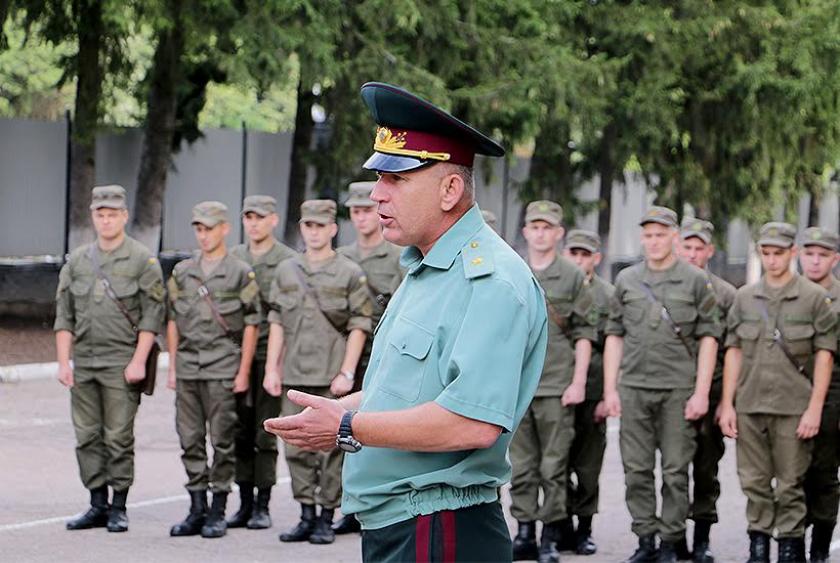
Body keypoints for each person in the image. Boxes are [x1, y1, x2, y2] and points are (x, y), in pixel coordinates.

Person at [263, 82, 548, 562]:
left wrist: (348, 426)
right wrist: (334, 413)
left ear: (450, 190)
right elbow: (407, 389)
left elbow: (473, 423)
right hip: (404, 523)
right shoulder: (429, 267)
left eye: (396, 179)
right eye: (379, 177)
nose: (377, 195)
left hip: (440, 527)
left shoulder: (490, 281)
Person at [603, 206, 720, 563]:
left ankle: (671, 540)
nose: (653, 242)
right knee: (636, 470)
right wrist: (610, 389)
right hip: (634, 388)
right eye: (648, 235)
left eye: (660, 234)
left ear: (674, 237)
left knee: (674, 470)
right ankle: (645, 539)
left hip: (678, 390)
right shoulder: (627, 280)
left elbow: (709, 338)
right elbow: (614, 335)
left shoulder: (695, 280)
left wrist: (701, 393)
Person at [718, 222, 836, 563]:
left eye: (779, 253)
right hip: (751, 403)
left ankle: (790, 546)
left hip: (793, 405)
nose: (772, 260)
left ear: (792, 253)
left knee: (790, 482)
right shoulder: (745, 297)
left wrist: (814, 409)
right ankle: (758, 545)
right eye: (766, 253)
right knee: (753, 480)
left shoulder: (813, 298)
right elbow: (734, 351)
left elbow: (825, 356)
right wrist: (727, 404)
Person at [55, 185, 165, 533]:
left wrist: (139, 360)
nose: (106, 220)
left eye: (112, 214)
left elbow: (152, 316)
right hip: (85, 361)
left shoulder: (142, 260)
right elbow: (64, 315)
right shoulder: (77, 261)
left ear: (124, 216)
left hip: (121, 361)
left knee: (118, 436)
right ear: (93, 216)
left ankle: (119, 506)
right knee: (87, 435)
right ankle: (96, 503)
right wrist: (63, 362)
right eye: (100, 214)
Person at [263, 199, 372, 545]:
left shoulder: (349, 271)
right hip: (295, 373)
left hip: (330, 375)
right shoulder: (287, 270)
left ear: (332, 229)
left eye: (320, 226)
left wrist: (347, 372)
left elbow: (359, 324)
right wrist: (271, 368)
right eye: (308, 225)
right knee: (295, 448)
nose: (314, 232)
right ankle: (306, 514)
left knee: (331, 449)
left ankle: (327, 514)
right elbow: (277, 320)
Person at [166, 201, 261, 539]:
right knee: (189, 438)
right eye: (199, 229)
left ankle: (218, 509)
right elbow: (173, 320)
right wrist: (172, 366)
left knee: (222, 440)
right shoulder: (183, 272)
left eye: (209, 228)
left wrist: (243, 371)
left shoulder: (240, 272)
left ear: (224, 229)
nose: (203, 235)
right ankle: (196, 508)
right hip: (188, 367)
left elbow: (252, 323)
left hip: (223, 366)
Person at [510, 201, 596, 563]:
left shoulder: (571, 275)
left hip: (557, 385)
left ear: (559, 233)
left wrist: (578, 382)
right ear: (526, 232)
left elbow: (585, 333)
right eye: (535, 227)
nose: (541, 234)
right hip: (518, 385)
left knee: (553, 466)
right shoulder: (512, 268)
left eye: (548, 228)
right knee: (522, 466)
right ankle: (524, 532)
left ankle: (550, 536)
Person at [333, 181, 404, 535]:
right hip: (345, 352)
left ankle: (376, 501)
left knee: (376, 431)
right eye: (355, 211)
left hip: (382, 353)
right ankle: (347, 503)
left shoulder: (397, 256)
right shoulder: (341, 257)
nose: (361, 217)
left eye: (366, 210)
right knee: (342, 431)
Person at [227, 195, 296, 530]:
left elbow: (288, 314)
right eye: (249, 218)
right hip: (236, 354)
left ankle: (262, 504)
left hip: (271, 354)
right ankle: (243, 502)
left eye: (260, 218)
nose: (254, 224)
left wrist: (278, 364)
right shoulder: (233, 258)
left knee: (265, 431)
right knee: (238, 430)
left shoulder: (288, 261)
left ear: (273, 220)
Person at [676, 217, 736, 563]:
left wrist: (726, 401)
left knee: (705, 468)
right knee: (673, 468)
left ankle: (702, 538)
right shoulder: (669, 287)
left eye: (699, 248)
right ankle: (673, 537)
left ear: (710, 251)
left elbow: (733, 352)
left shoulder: (725, 294)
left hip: (711, 392)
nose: (692, 254)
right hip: (673, 390)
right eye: (687, 247)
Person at [562, 229, 614, 557]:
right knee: (555, 461)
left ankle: (584, 528)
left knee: (588, 465)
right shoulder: (554, 286)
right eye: (574, 253)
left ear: (596, 258)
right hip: (557, 386)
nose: (579, 260)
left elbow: (614, 347)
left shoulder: (608, 295)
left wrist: (608, 395)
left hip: (593, 389)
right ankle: (561, 524)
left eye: (585, 255)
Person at [798, 226, 840, 563]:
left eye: (822, 255)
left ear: (834, 259)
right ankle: (793, 543)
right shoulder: (787, 293)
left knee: (824, 473)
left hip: (833, 397)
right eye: (809, 254)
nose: (814, 261)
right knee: (790, 474)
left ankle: (820, 548)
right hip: (790, 393)